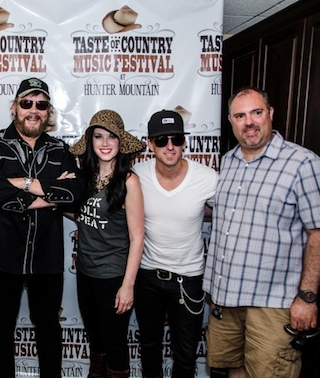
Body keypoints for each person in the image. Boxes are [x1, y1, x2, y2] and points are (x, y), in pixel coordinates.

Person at [203, 86, 320, 378]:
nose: (249, 122)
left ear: (270, 114)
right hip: (226, 298)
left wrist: (307, 298)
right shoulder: (227, 163)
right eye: (240, 116)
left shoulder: (302, 163)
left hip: (272, 303)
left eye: (256, 112)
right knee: (234, 369)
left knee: (270, 373)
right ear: (231, 121)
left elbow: (317, 232)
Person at [0, 77, 86, 378]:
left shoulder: (59, 149)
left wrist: (21, 185)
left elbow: (76, 191)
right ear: (15, 108)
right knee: (0, 335)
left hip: (46, 256)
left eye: (41, 105)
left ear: (48, 111)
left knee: (49, 334)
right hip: (1, 256)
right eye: (26, 103)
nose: (33, 110)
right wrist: (50, 196)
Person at [132, 110, 217, 378]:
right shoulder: (137, 175)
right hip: (147, 276)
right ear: (149, 144)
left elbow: (229, 215)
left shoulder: (208, 178)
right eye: (161, 140)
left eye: (176, 139)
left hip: (189, 279)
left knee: (186, 353)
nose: (169, 146)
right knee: (149, 347)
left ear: (184, 142)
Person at [69, 109, 146, 378]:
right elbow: (81, 213)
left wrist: (127, 286)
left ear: (120, 143)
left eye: (111, 137)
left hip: (113, 276)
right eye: (98, 136)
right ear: (90, 141)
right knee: (96, 341)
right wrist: (58, 196)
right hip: (85, 273)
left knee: (114, 344)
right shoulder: (85, 178)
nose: (104, 143)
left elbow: (137, 238)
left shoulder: (129, 181)